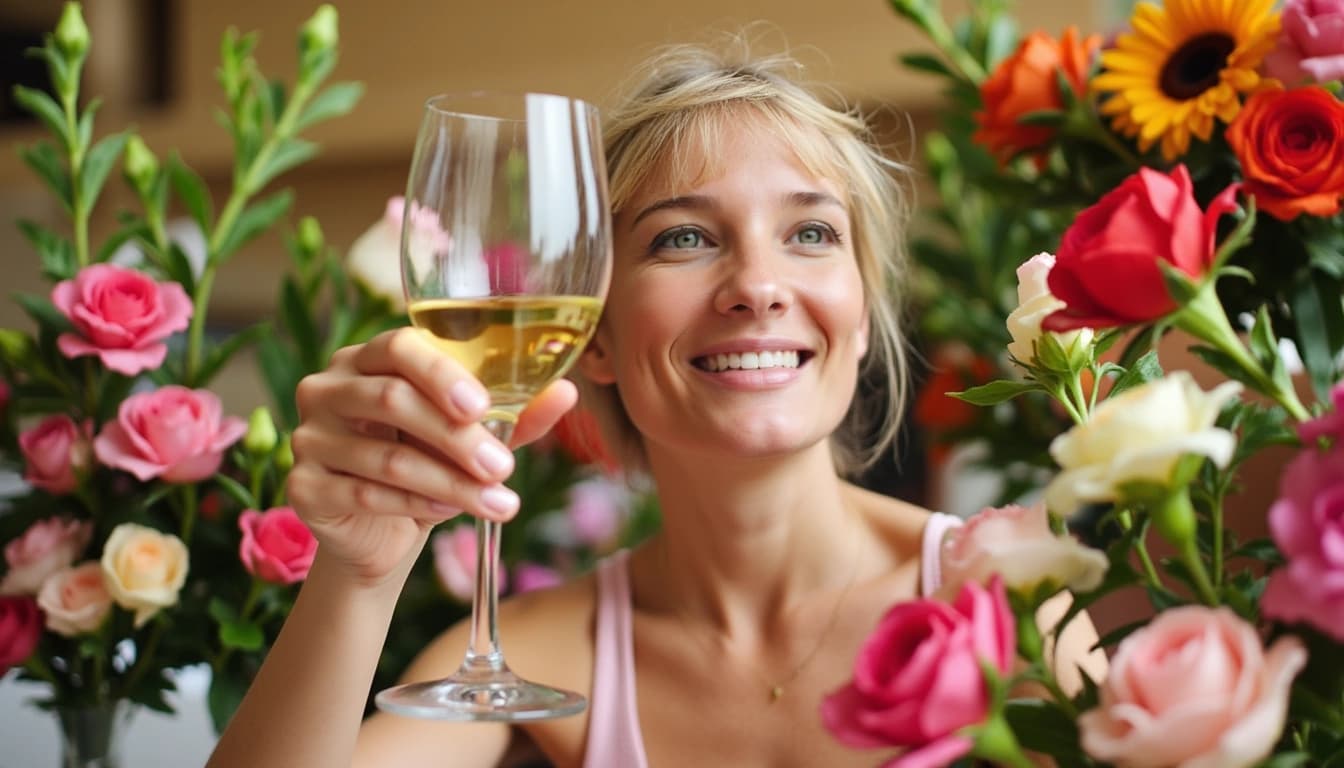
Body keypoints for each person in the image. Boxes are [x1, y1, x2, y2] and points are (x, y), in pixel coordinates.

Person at [207, 37, 1105, 768]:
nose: (757, 285)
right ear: (590, 334)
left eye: (811, 233)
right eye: (683, 237)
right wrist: (356, 578)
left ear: (862, 316)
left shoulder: (1010, 595)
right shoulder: (523, 658)